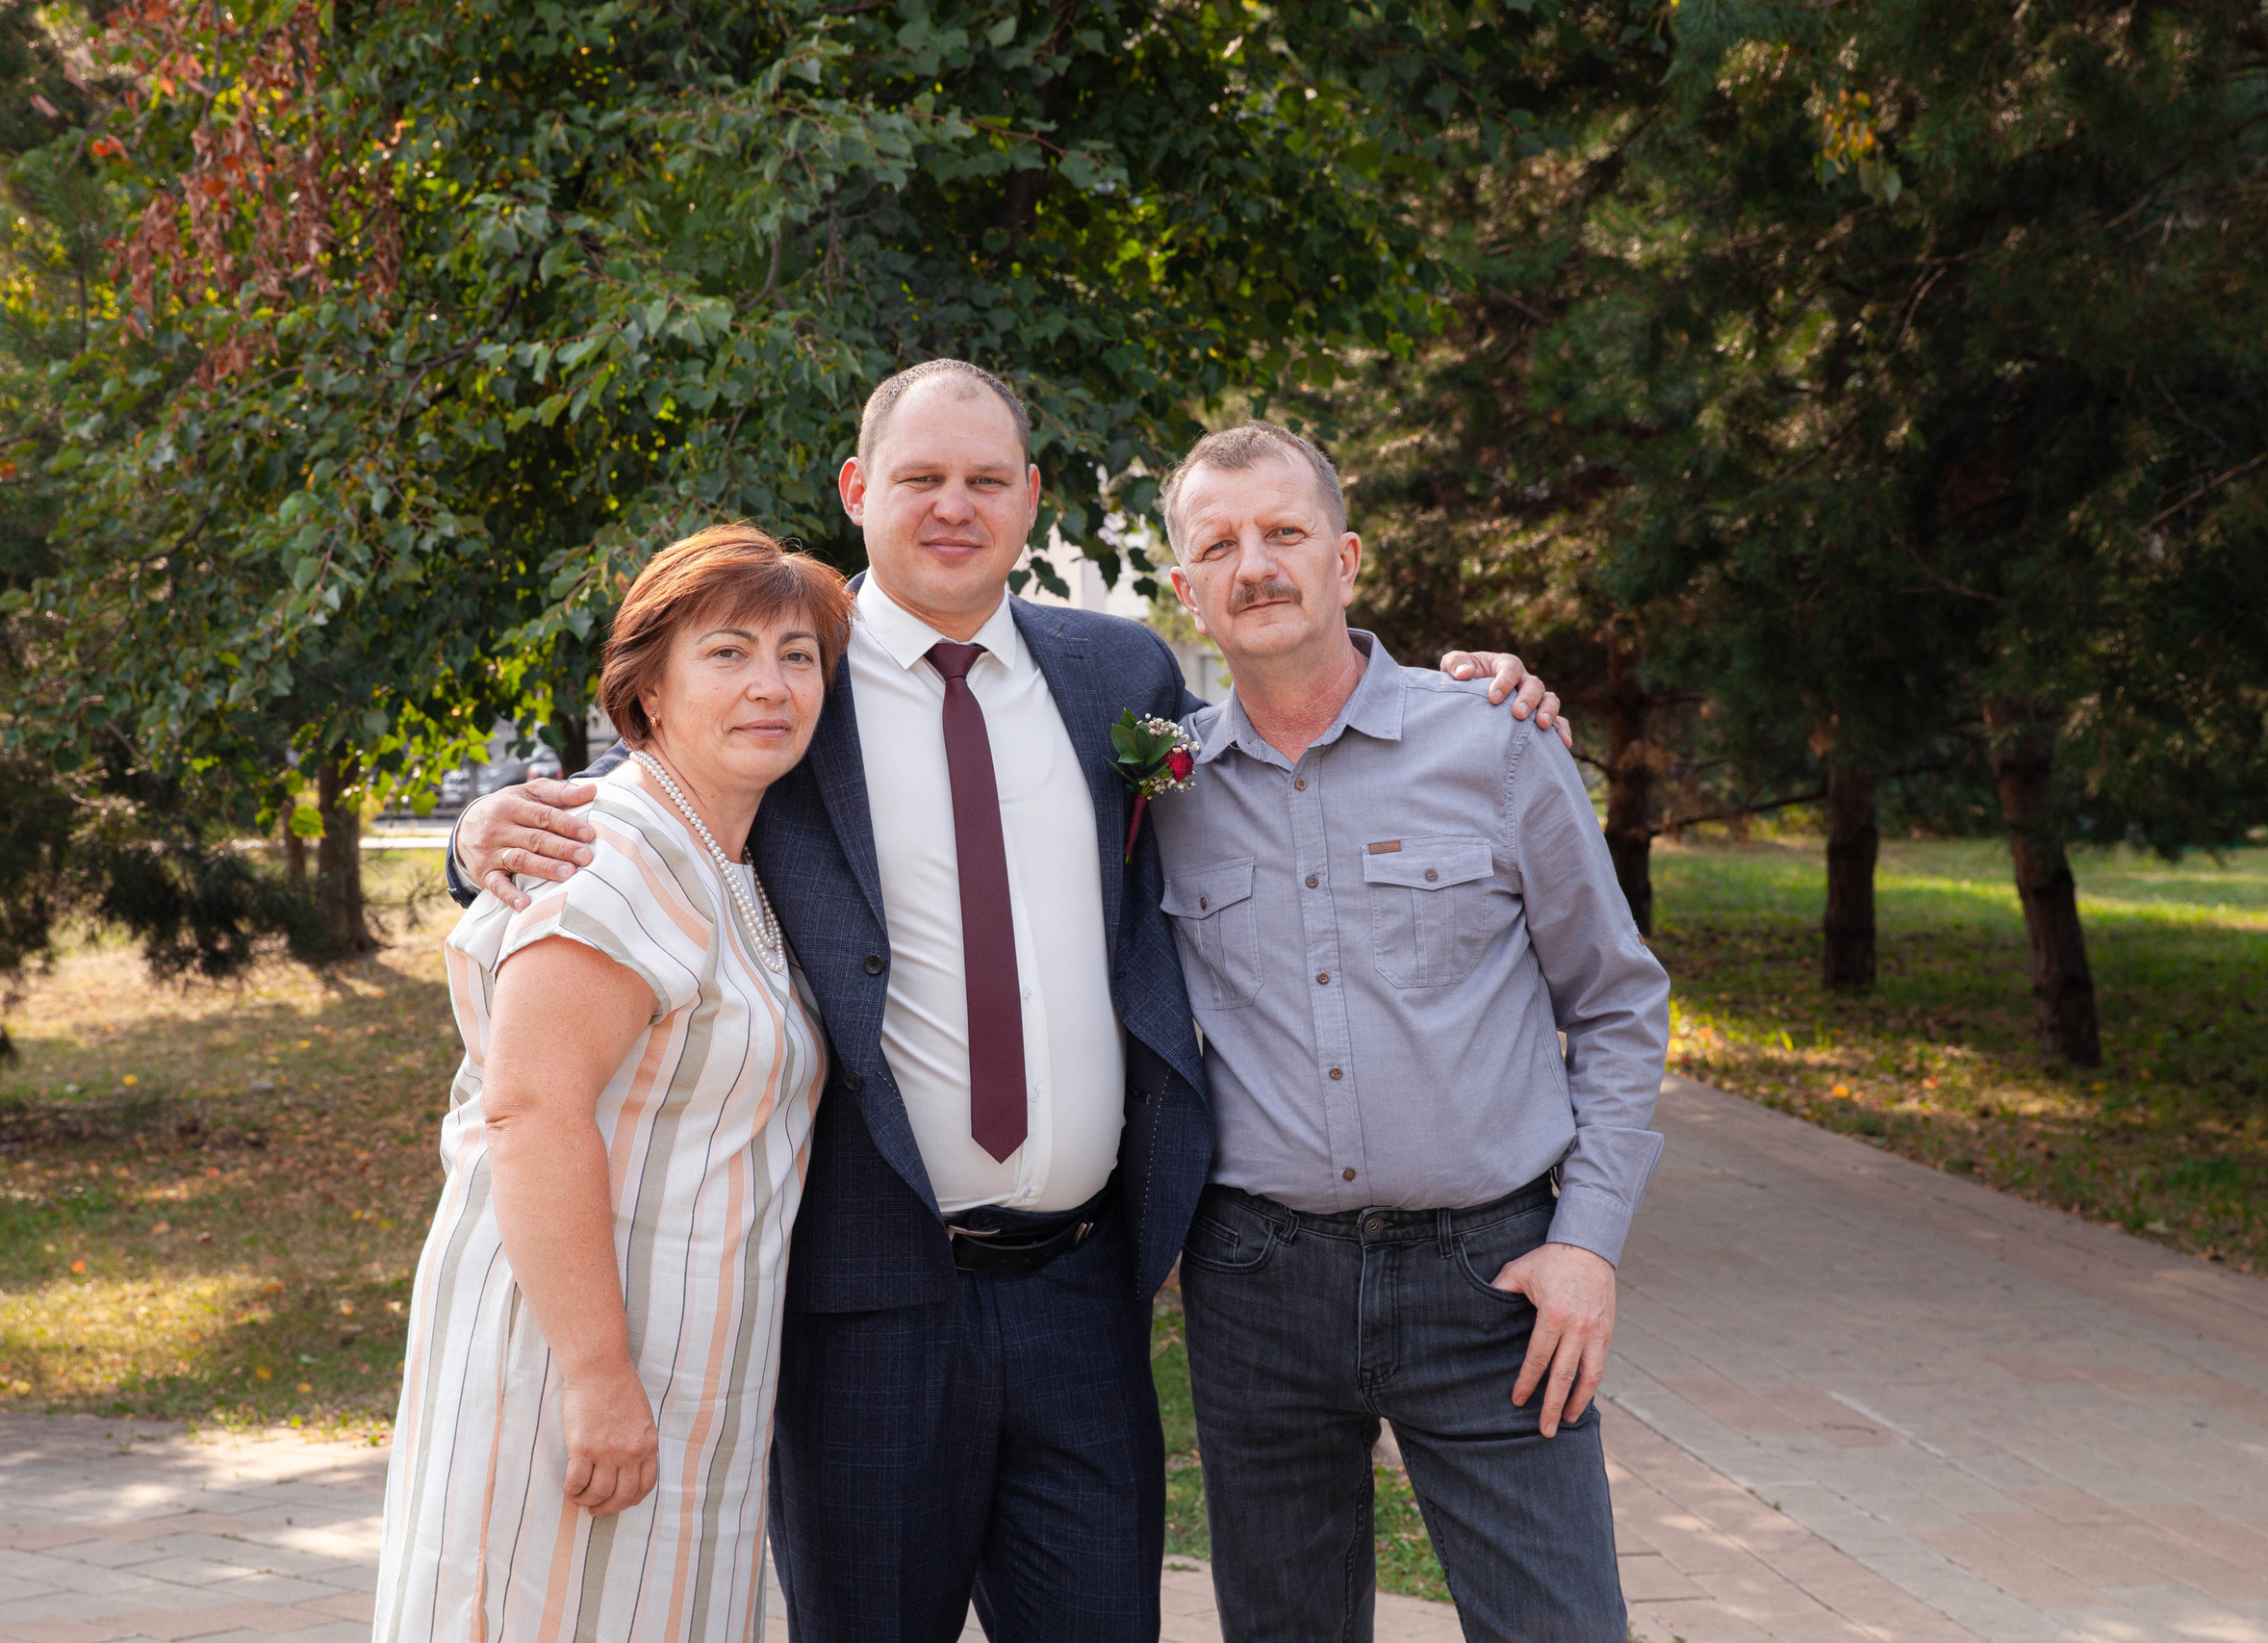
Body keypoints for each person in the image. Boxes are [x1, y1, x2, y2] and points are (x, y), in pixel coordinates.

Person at [443, 360, 1568, 1642]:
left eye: (987, 479)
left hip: (1084, 1296)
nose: (953, 505)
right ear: (859, 488)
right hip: (870, 1299)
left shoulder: (1118, 677)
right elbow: (646, 791)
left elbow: (1285, 729)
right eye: (920, 477)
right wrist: (479, 833)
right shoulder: (794, 680)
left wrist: (1471, 696)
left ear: (1032, 499)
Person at [1149, 422, 1670, 1643]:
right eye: (1218, 545)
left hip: (1492, 1281)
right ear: (1187, 592)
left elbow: (1613, 1000)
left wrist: (1588, 1243)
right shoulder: (1162, 790)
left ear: (1348, 559)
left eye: (1285, 533)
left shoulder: (1493, 738)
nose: (1255, 565)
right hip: (1257, 1287)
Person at [374, 525, 852, 1643]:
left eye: (797, 655)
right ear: (647, 689)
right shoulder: (609, 850)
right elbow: (528, 1113)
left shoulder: (732, 858)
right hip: (570, 1368)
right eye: (727, 653)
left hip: (692, 1382)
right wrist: (595, 1375)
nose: (770, 686)